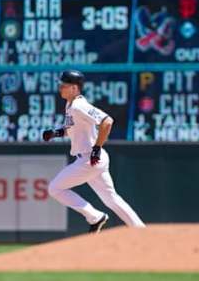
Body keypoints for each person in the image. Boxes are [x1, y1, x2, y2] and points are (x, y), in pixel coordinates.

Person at [42, 70, 145, 233]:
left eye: (64, 85)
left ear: (75, 88)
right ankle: (140, 230)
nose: (60, 87)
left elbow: (107, 121)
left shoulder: (78, 105)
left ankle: (95, 217)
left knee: (55, 188)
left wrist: (97, 147)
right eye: (60, 84)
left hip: (89, 159)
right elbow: (72, 129)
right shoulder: (71, 104)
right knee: (111, 199)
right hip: (94, 159)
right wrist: (56, 133)